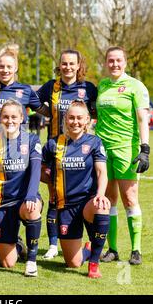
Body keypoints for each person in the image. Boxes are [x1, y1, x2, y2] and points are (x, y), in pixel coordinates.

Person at [0, 44, 49, 261]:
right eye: (1, 66)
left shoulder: (25, 91)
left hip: (18, 153)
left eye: (9, 67)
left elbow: (44, 109)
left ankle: (17, 238)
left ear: (16, 68)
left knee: (20, 195)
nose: (5, 70)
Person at [36, 49, 97, 260]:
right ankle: (53, 244)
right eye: (64, 63)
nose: (68, 67)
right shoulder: (50, 87)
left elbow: (95, 111)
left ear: (79, 66)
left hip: (81, 151)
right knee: (54, 196)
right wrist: (49, 114)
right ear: (59, 65)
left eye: (72, 64)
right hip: (56, 150)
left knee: (85, 194)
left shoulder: (88, 88)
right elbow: (34, 102)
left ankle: (91, 241)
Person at [41, 101, 110, 278]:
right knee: (73, 263)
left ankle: (94, 262)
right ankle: (87, 251)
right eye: (71, 117)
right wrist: (52, 183)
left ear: (87, 120)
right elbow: (40, 171)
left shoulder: (94, 142)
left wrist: (101, 194)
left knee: (102, 206)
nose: (75, 122)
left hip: (88, 202)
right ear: (65, 119)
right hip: (65, 206)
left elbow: (102, 172)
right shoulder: (53, 144)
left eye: (80, 118)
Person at [95, 46, 150, 265]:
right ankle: (113, 249)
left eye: (118, 60)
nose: (114, 64)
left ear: (125, 62)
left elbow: (142, 119)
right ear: (106, 63)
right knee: (108, 200)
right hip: (102, 150)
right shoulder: (103, 85)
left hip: (126, 149)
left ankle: (136, 250)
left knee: (130, 199)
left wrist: (145, 148)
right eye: (110, 61)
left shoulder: (135, 86)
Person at [0, 100, 42, 277]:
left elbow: (36, 172)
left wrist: (30, 196)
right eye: (5, 117)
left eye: (14, 116)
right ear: (0, 119)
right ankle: (18, 244)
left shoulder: (32, 140)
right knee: (7, 263)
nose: (10, 120)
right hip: (3, 202)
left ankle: (31, 260)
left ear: (22, 118)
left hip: (25, 200)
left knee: (33, 208)